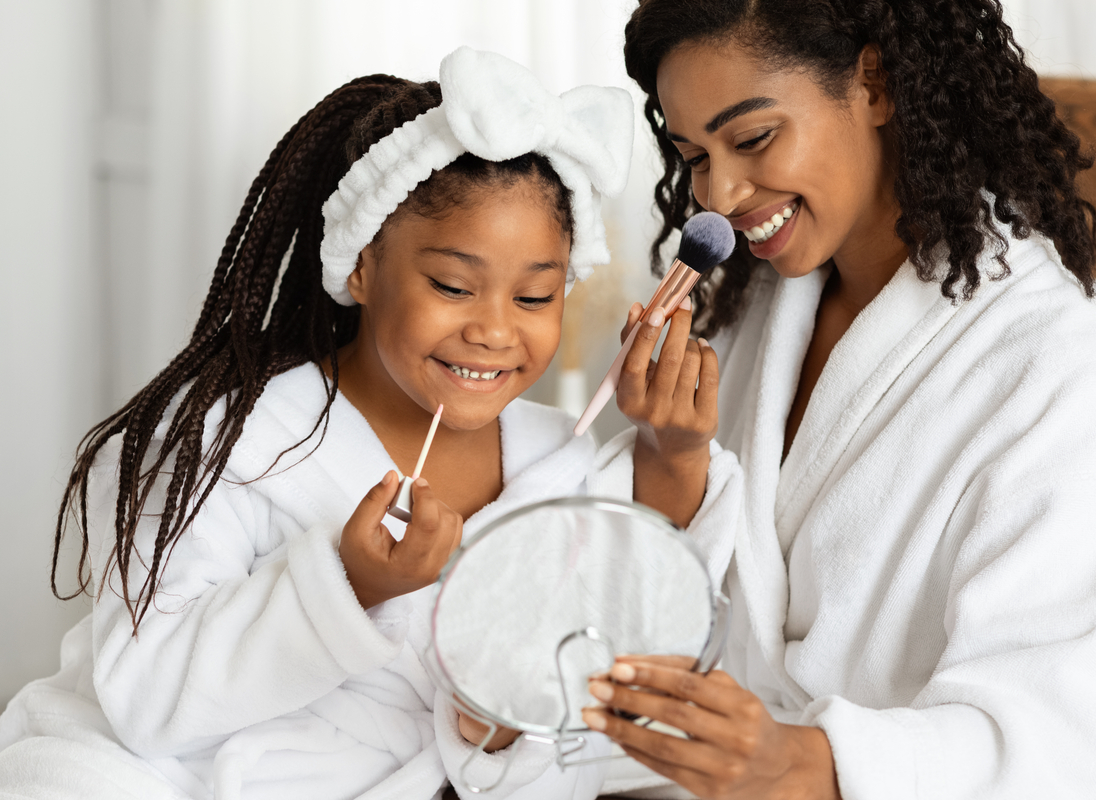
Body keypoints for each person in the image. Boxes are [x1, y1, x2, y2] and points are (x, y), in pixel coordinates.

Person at [0, 47, 645, 800]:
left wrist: (496, 722)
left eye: (535, 298)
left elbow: (568, 724)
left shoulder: (558, 466)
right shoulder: (236, 437)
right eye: (452, 285)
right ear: (361, 266)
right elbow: (145, 696)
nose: (495, 331)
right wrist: (345, 589)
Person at [585, 2, 1096, 799]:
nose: (720, 193)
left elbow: (1052, 740)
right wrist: (666, 458)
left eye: (752, 139)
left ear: (875, 83)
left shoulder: (1056, 363)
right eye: (693, 157)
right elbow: (650, 605)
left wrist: (800, 763)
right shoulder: (743, 317)